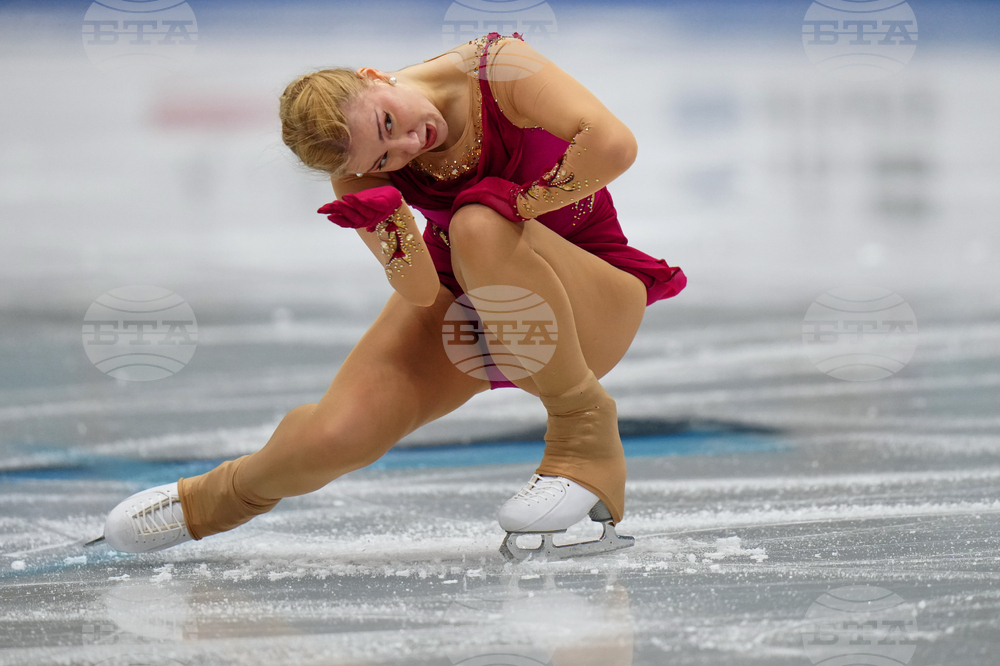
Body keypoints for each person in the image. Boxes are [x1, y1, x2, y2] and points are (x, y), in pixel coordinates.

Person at [93, 32, 686, 560]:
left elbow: (613, 146)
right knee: (337, 436)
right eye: (384, 157)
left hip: (591, 303)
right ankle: (218, 497)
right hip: (464, 300)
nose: (405, 146)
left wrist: (515, 206)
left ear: (376, 76)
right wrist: (394, 231)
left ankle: (583, 432)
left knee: (478, 220)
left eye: (386, 124)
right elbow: (422, 288)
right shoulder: (357, 169)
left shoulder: (497, 71)